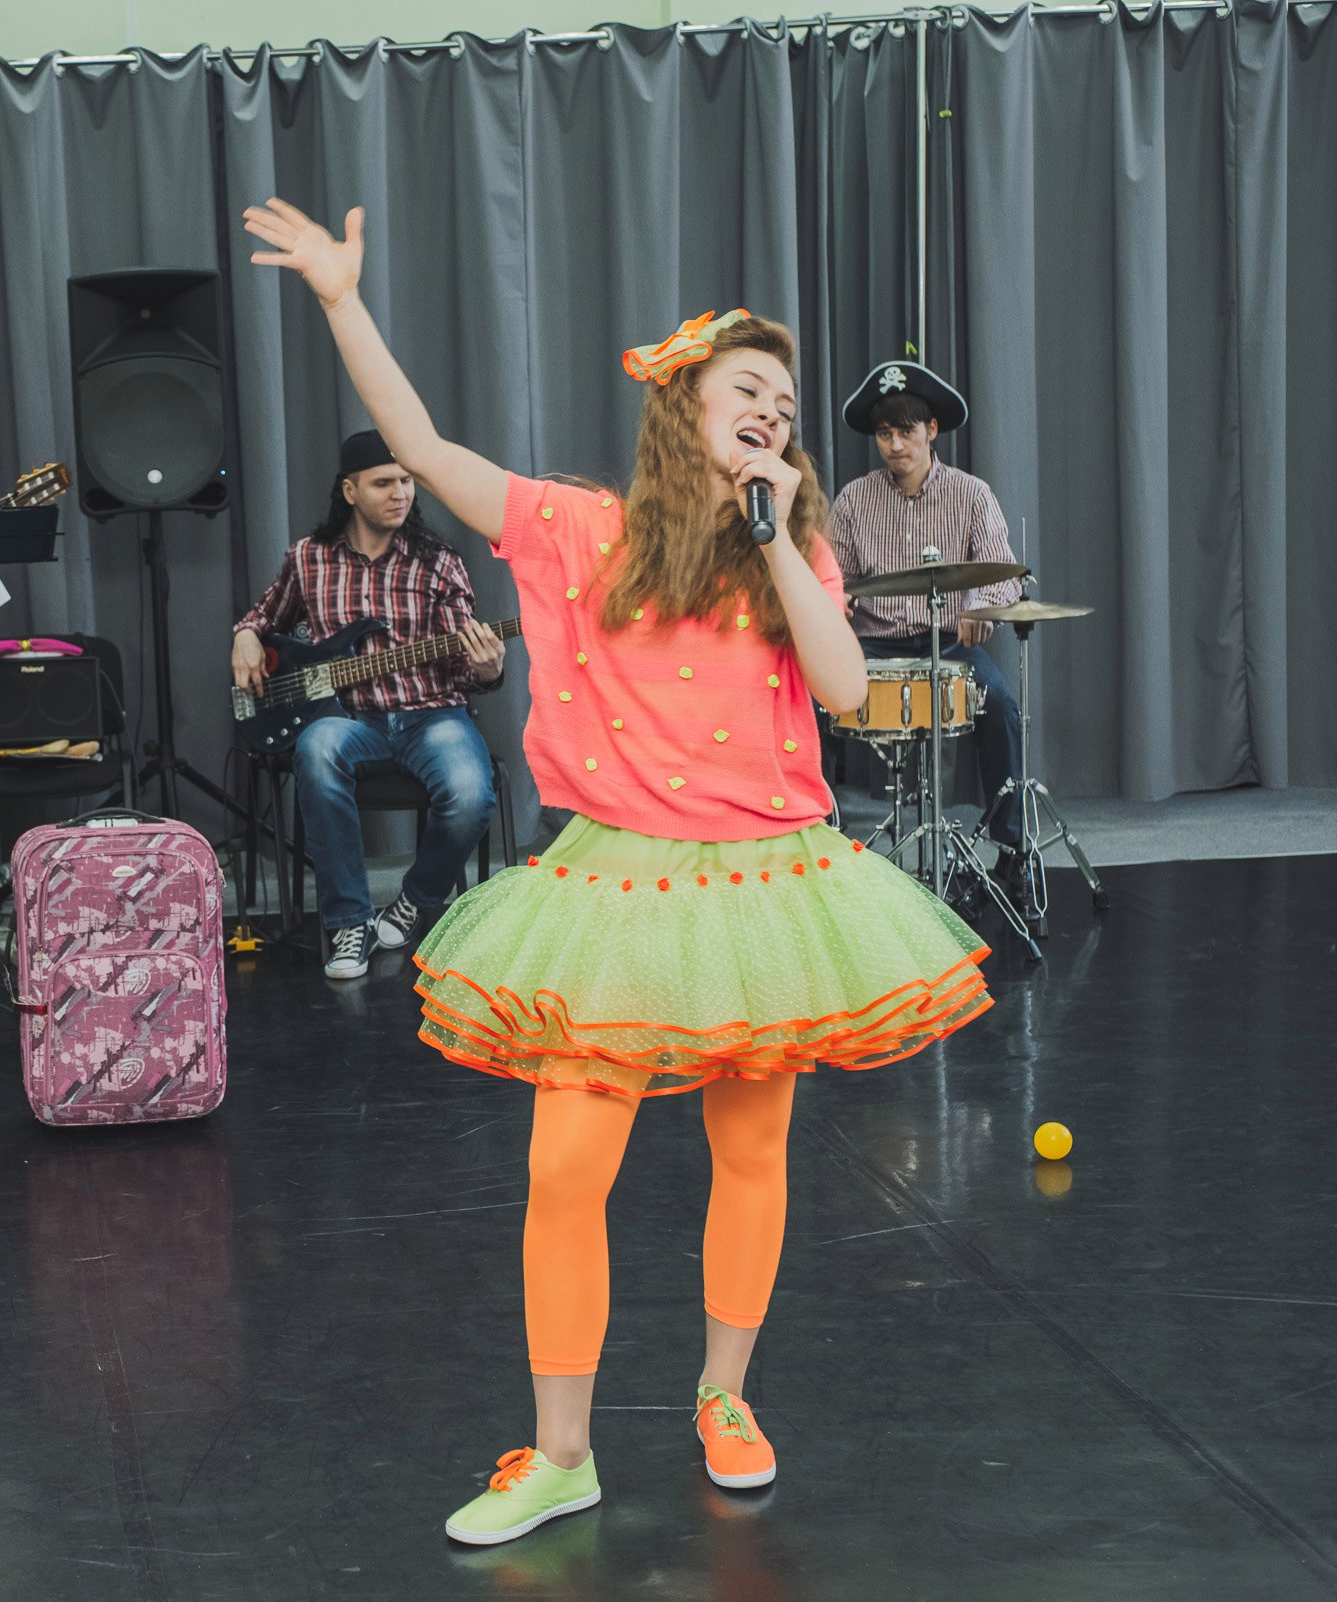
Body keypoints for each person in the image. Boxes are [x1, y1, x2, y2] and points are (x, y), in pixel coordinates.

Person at [243, 199, 992, 1544]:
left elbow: (842, 687)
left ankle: (725, 1394)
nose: (771, 411)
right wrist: (344, 301)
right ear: (682, 405)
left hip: (765, 881)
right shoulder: (580, 530)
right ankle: (562, 1454)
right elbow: (427, 450)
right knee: (563, 1174)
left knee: (750, 1154)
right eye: (745, 389)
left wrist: (778, 537)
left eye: (783, 403)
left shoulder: (795, 545)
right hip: (619, 885)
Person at [232, 430, 507, 979]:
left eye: (406, 481)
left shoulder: (438, 562)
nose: (400, 493)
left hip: (432, 715)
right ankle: (349, 922)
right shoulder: (308, 558)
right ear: (350, 491)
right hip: (351, 721)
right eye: (384, 483)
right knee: (316, 748)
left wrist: (487, 669)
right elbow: (264, 615)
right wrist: (244, 635)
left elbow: (465, 662)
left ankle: (412, 901)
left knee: (471, 793)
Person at [831, 361, 1031, 903]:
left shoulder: (972, 495)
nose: (895, 445)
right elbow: (834, 578)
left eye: (906, 431)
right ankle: (820, 837)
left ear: (932, 430)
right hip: (873, 642)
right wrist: (836, 599)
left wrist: (980, 606)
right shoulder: (852, 501)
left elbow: (1003, 575)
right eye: (884, 434)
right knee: (805, 701)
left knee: (1001, 707)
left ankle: (1012, 847)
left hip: (948, 641)